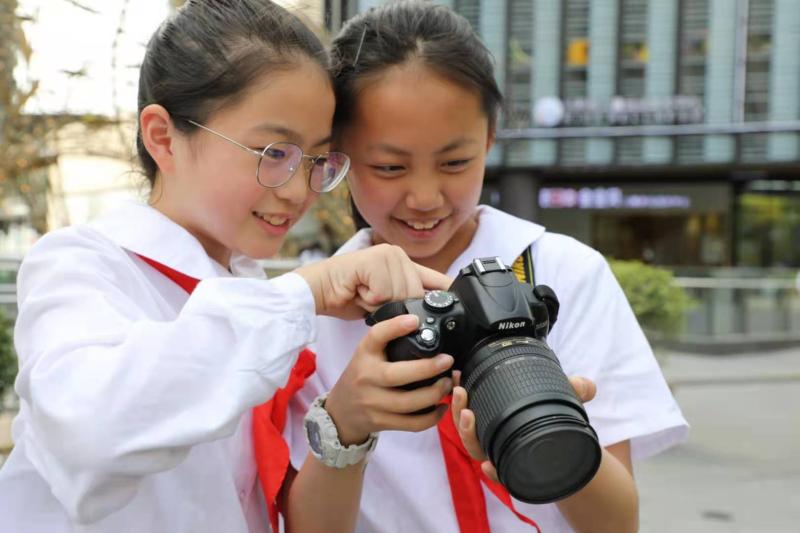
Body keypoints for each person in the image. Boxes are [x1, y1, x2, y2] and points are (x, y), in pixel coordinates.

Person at [0, 2, 453, 532]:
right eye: (273, 152)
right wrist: (304, 291)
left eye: (315, 160)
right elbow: (87, 427)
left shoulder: (253, 293)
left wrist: (348, 415)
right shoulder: (81, 263)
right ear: (163, 137)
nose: (298, 191)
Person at [283, 2, 689, 532]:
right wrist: (345, 421)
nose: (425, 197)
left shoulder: (564, 273)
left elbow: (616, 525)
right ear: (338, 154)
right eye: (389, 166)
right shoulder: (310, 311)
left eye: (455, 162)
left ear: (490, 138)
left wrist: (552, 428)